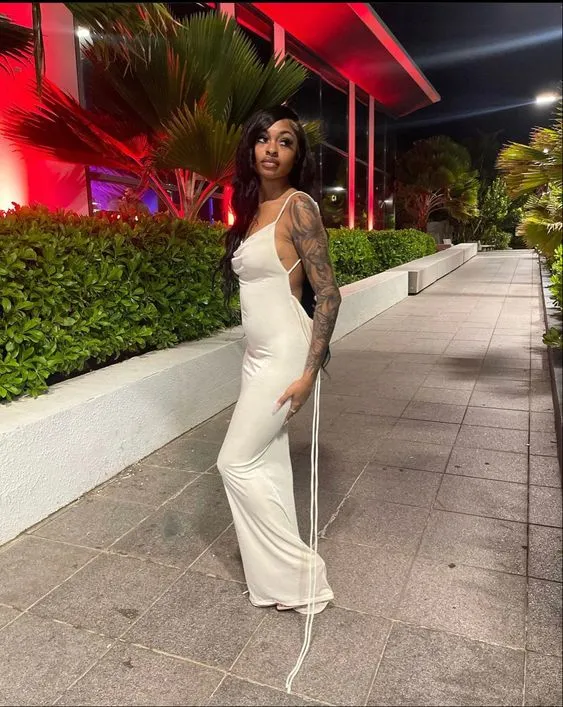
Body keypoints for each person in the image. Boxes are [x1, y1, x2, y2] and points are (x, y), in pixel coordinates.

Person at [216, 104, 342, 689]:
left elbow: (328, 294)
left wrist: (310, 372)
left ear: (297, 154)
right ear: (251, 148)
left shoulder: (299, 207)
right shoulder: (250, 210)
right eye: (263, 138)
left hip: (287, 355)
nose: (271, 148)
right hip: (256, 356)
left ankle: (302, 570)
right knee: (264, 463)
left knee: (233, 462)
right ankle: (280, 585)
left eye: (285, 140)